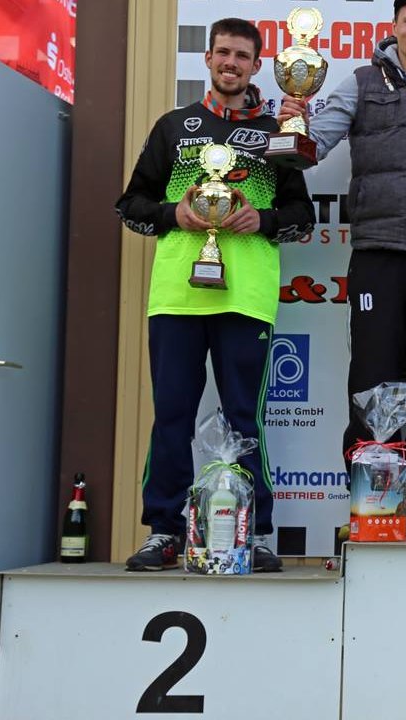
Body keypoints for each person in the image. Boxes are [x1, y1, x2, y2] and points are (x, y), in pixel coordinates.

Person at [116, 18, 314, 572]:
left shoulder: (279, 132)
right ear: (207, 59)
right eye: (223, 53)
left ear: (257, 65)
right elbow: (130, 204)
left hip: (246, 296)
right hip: (178, 295)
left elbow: (303, 216)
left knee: (245, 417)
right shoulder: (174, 127)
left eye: (242, 56)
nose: (231, 63)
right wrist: (172, 214)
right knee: (172, 414)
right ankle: (163, 529)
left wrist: (264, 219)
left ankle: (255, 532)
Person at [277, 0, 406, 485]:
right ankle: (374, 504)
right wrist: (293, 125)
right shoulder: (361, 82)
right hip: (376, 253)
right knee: (373, 379)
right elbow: (313, 151)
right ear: (394, 28)